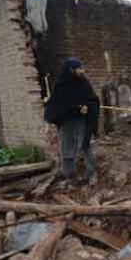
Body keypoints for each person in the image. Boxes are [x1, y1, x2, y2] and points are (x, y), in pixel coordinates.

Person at [44, 57, 100, 187]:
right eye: (79, 68)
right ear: (71, 70)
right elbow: (54, 104)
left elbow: (92, 99)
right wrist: (49, 122)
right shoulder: (60, 85)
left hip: (81, 120)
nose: (82, 71)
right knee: (67, 147)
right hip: (66, 121)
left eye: (82, 68)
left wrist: (87, 107)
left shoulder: (83, 83)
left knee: (84, 145)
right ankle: (70, 175)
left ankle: (91, 173)